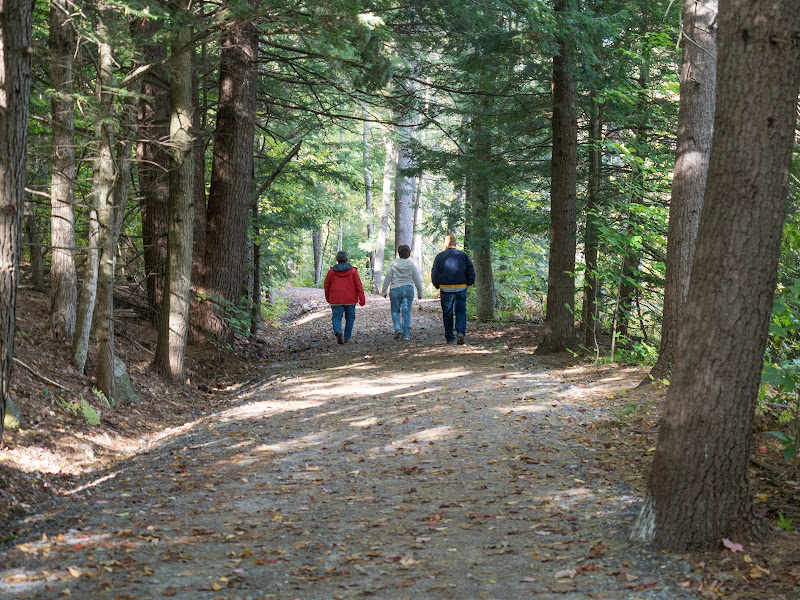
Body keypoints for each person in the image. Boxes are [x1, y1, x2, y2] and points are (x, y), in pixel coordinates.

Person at [431, 234, 475, 344]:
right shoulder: (463, 256)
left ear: (446, 244)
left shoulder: (440, 257)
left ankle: (450, 337)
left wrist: (437, 285)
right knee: (461, 311)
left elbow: (435, 273)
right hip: (461, 288)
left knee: (447, 313)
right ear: (455, 244)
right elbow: (471, 271)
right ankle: (460, 332)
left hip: (445, 289)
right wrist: (468, 283)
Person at [381, 244, 423, 340]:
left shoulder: (393, 263)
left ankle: (397, 328)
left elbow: (388, 277)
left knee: (395, 310)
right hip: (408, 289)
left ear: (399, 253)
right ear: (408, 254)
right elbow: (417, 279)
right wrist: (420, 293)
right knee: (406, 312)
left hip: (395, 289)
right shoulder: (411, 264)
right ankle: (406, 335)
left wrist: (384, 291)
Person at [324, 250, 366, 344]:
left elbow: (326, 285)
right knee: (350, 318)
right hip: (350, 300)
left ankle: (338, 331)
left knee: (336, 317)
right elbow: (358, 285)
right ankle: (347, 337)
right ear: (346, 259)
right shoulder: (353, 271)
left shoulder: (332, 271)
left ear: (337, 259)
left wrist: (328, 297)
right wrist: (362, 299)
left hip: (336, 299)